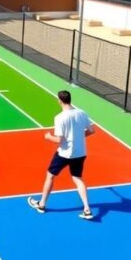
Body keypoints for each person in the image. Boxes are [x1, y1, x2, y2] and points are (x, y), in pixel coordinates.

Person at [28, 90, 96, 219]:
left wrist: (48, 137)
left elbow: (59, 140)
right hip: (80, 153)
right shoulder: (82, 113)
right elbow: (91, 131)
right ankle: (87, 209)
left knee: (50, 176)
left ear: (59, 101)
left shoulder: (59, 118)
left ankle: (41, 205)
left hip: (64, 154)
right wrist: (77, 137)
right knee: (77, 179)